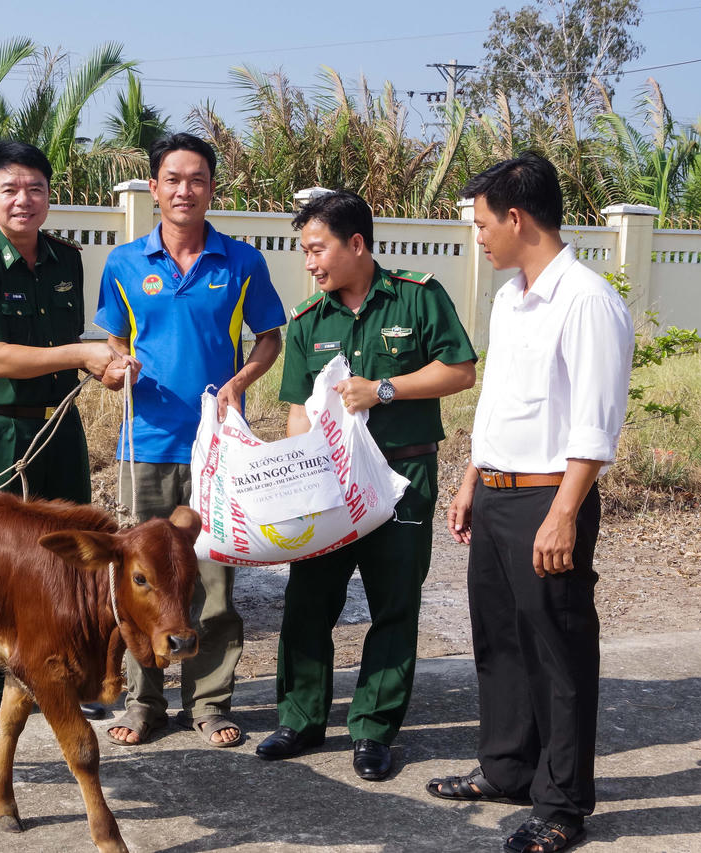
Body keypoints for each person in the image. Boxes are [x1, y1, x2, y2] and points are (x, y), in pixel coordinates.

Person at [426, 153, 633, 853]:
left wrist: (565, 512)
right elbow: (500, 403)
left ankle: (563, 803)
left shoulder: (586, 300)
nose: (478, 237)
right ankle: (507, 767)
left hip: (550, 495)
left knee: (560, 652)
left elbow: (595, 423)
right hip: (497, 491)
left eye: (483, 224)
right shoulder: (512, 296)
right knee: (501, 639)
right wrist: (470, 480)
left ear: (516, 218)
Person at [257, 190, 477, 780]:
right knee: (308, 602)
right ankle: (300, 720)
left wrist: (384, 388)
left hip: (402, 476)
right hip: (330, 485)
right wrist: (293, 481)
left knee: (394, 606)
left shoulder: (419, 296)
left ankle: (374, 731)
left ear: (356, 243)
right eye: (304, 252)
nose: (309, 263)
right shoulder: (308, 321)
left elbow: (459, 370)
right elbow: (299, 412)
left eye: (317, 248)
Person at [94, 132, 286, 747]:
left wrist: (238, 383)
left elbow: (270, 339)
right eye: (173, 179)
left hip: (217, 452)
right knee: (142, 586)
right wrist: (117, 364)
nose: (185, 189)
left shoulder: (242, 262)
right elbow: (114, 343)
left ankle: (209, 703)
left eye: (197, 178)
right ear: (154, 188)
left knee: (211, 584)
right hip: (144, 445)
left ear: (210, 187)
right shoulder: (124, 264)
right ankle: (142, 704)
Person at [0, 140, 135, 730]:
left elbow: (73, 347)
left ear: (50, 197)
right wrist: (82, 353)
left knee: (70, 554)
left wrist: (102, 365)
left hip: (59, 425)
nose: (23, 200)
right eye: (10, 189)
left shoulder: (64, 259)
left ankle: (67, 672)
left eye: (35, 189)